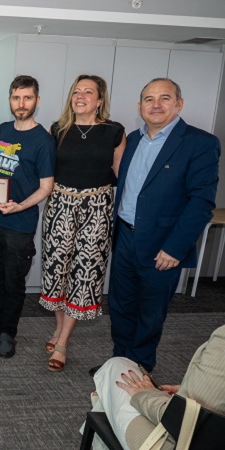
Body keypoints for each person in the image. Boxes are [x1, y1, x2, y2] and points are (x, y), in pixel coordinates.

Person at [107, 78, 220, 373]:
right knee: (120, 307)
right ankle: (119, 363)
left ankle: (139, 368)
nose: (156, 105)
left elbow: (201, 202)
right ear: (139, 106)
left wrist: (175, 248)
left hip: (163, 246)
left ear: (179, 104)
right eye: (149, 99)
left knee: (150, 313)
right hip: (125, 238)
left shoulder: (201, 143)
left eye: (164, 98)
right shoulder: (131, 140)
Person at [40, 75, 126, 372]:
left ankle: (62, 340)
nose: (81, 96)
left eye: (88, 92)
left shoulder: (114, 131)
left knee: (85, 272)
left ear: (100, 100)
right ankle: (59, 328)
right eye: (77, 91)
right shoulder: (57, 129)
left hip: (97, 207)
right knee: (57, 268)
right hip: (60, 205)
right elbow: (45, 169)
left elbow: (122, 176)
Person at [0, 75, 55, 358]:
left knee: (14, 281)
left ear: (37, 101)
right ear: (10, 100)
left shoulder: (43, 140)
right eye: (16, 98)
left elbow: (46, 186)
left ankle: (9, 332)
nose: (21, 103)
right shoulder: (3, 129)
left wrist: (20, 206)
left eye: (27, 98)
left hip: (19, 223)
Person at [90, 324, 225, 449]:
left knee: (117, 366)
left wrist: (146, 393)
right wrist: (187, 388)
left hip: (175, 442)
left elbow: (187, 420)